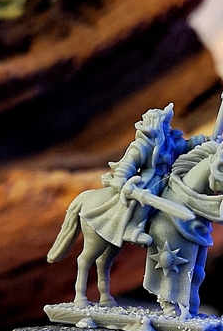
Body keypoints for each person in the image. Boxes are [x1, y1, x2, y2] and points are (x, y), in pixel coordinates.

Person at [88, 104, 208, 247]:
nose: (167, 127)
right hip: (151, 177)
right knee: (148, 192)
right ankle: (133, 226)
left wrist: (205, 140)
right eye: (164, 123)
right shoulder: (142, 145)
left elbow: (187, 145)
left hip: (170, 177)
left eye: (167, 123)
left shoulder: (170, 141)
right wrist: (121, 177)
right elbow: (129, 163)